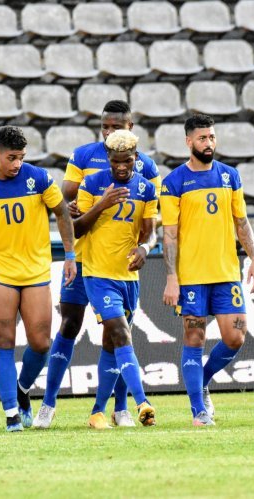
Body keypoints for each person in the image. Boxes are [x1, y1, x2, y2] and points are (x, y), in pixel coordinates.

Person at [33, 100, 161, 429]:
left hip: (121, 263)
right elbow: (67, 202)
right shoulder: (84, 157)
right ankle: (48, 404)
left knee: (117, 335)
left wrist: (144, 245)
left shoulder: (147, 169)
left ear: (130, 129)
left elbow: (151, 220)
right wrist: (79, 207)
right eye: (105, 126)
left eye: (116, 127)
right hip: (85, 260)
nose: (108, 132)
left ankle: (117, 408)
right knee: (70, 325)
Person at [0, 126, 76, 432]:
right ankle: (11, 414)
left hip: (35, 271)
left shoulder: (40, 178)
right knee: (4, 342)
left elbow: (62, 212)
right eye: (11, 158)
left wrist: (70, 255)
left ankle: (22, 389)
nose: (18, 164)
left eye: (21, 157)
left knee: (41, 343)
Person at [161, 114, 254, 427]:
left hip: (226, 273)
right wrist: (172, 277)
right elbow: (169, 234)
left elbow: (241, 222)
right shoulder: (173, 182)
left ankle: (202, 381)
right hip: (192, 276)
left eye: (212, 137)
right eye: (202, 138)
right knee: (194, 338)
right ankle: (198, 412)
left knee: (236, 336)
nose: (209, 143)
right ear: (189, 142)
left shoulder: (230, 176)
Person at [70, 129, 158, 429]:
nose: (122, 167)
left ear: (136, 158)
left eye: (128, 161)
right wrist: (101, 204)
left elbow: (151, 232)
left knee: (112, 343)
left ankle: (97, 412)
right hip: (98, 274)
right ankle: (142, 403)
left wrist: (145, 248)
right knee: (121, 333)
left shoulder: (145, 189)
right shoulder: (92, 184)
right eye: (116, 161)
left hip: (128, 276)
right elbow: (76, 228)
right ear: (108, 157)